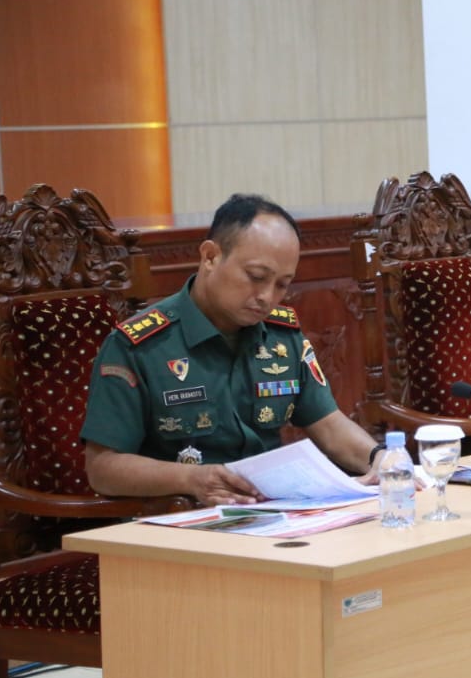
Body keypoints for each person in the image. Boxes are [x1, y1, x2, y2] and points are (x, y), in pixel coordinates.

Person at [81, 193, 388, 508]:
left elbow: (329, 424)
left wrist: (379, 459)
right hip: (179, 518)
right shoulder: (140, 346)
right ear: (210, 257)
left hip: (273, 512)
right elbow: (103, 468)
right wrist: (192, 479)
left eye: (282, 284)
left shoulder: (282, 337)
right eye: (256, 277)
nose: (267, 297)